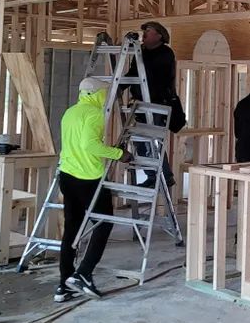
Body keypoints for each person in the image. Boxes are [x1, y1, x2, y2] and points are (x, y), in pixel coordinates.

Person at [56, 77, 131, 302]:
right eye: (103, 93)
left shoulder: (70, 112)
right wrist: (120, 154)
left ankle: (64, 285)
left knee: (72, 230)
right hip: (88, 179)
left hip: (67, 176)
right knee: (104, 222)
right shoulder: (94, 114)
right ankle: (84, 273)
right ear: (96, 94)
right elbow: (90, 145)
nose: (105, 96)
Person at [126, 21, 177, 187]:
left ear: (159, 36)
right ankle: (152, 175)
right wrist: (120, 87)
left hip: (157, 105)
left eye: (148, 31)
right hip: (141, 104)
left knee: (153, 142)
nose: (144, 34)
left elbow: (154, 78)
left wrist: (137, 51)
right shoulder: (141, 52)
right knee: (141, 142)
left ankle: (165, 176)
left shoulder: (165, 54)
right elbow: (133, 73)